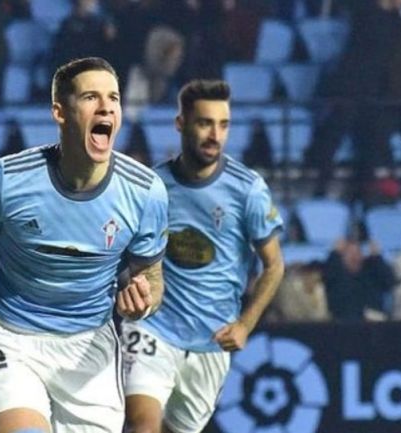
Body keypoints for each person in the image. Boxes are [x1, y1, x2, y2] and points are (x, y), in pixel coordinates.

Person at [0, 57, 169, 433]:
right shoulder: (6, 180)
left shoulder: (145, 192)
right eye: (91, 97)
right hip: (11, 336)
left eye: (113, 97)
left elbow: (152, 277)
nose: (106, 106)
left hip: (89, 348)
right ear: (60, 112)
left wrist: (144, 300)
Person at [122, 79, 285, 433]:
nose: (215, 134)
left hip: (212, 340)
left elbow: (274, 265)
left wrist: (245, 324)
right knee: (142, 426)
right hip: (153, 327)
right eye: (204, 123)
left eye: (223, 124)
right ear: (181, 124)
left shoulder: (248, 190)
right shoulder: (151, 187)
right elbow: (123, 255)